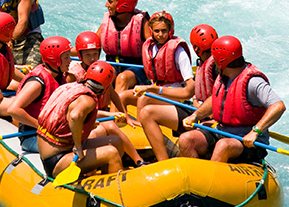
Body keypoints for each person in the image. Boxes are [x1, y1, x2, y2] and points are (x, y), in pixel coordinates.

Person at [179, 35, 286, 164]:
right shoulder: (224, 76)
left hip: (249, 141)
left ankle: (210, 181)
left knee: (223, 146)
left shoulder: (253, 82)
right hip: (222, 131)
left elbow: (278, 106)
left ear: (221, 62)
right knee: (186, 139)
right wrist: (195, 116)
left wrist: (255, 131)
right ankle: (193, 177)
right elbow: (216, 99)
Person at [37, 61, 127, 179]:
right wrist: (78, 147)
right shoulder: (88, 100)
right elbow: (75, 116)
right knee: (112, 153)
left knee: (116, 141)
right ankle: (113, 192)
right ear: (105, 89)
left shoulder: (70, 87)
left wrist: (110, 114)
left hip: (56, 150)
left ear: (86, 77)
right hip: (57, 159)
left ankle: (104, 179)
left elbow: (73, 112)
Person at [67, 30, 145, 167]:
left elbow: (113, 94)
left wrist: (126, 116)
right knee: (110, 126)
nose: (92, 58)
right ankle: (138, 160)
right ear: (80, 55)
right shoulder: (74, 75)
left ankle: (138, 160)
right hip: (84, 116)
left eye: (95, 54)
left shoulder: (100, 69)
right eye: (88, 55)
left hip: (99, 112)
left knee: (110, 125)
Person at [131, 12, 196, 163]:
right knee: (124, 96)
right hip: (158, 90)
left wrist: (153, 90)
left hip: (176, 94)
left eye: (164, 31)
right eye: (157, 31)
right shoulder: (150, 46)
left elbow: (189, 87)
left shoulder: (178, 51)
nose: (160, 35)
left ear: (170, 31)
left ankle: (161, 157)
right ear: (151, 31)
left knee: (144, 101)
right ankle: (128, 129)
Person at [6, 36, 72, 153]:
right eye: (66, 57)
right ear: (54, 59)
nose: (70, 61)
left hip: (51, 134)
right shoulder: (37, 83)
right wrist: (40, 127)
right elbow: (13, 110)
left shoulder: (59, 77)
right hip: (31, 137)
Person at [98, 0, 151, 95]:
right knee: (102, 74)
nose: (106, 5)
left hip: (138, 69)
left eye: (110, 2)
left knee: (122, 78)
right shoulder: (108, 20)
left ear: (122, 5)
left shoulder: (142, 22)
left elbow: (155, 49)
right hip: (113, 65)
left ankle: (117, 111)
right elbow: (92, 43)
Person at [189, 24, 218, 106]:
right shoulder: (201, 62)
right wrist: (195, 100)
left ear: (196, 48)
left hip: (210, 112)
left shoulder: (216, 67)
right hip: (201, 107)